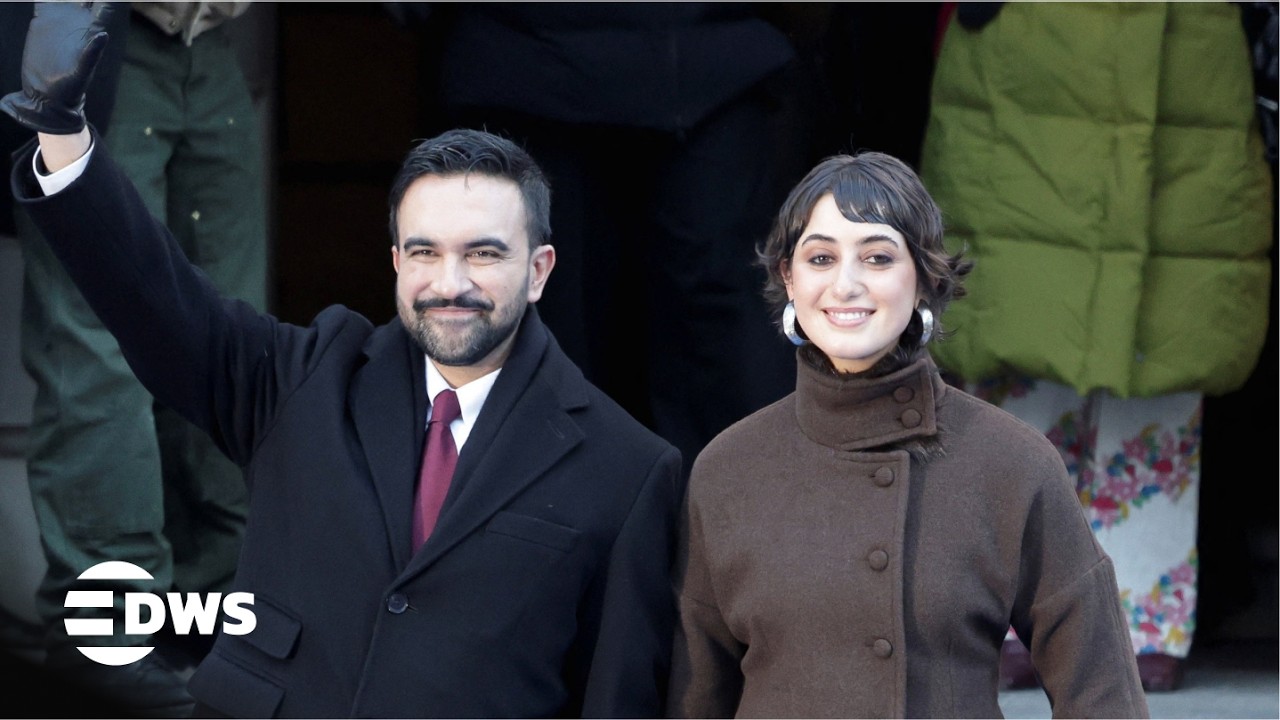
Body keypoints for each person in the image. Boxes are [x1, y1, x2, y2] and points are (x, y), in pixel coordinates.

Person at [4, 3, 684, 717]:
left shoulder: (628, 470)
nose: (449, 283)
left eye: (483, 254)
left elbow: (618, 698)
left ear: (540, 270)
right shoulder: (305, 379)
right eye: (425, 252)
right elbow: (152, 298)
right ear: (395, 261)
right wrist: (63, 138)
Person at [665, 151, 1150, 718]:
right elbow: (695, 697)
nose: (846, 284)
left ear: (923, 277)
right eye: (820, 257)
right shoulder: (729, 468)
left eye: (877, 257)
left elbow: (1100, 691)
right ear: (788, 279)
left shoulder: (1011, 461)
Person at [919, 1, 1275, 691]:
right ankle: (1018, 615)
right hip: (1027, 55)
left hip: (1187, 59)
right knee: (1018, 346)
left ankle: (1140, 619)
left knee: (1163, 353)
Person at [393, 4, 802, 475]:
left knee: (717, 317)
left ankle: (740, 525)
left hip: (709, 55)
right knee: (536, 310)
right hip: (524, 56)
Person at [9, 1, 268, 715]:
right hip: (94, 35)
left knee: (228, 330)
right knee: (96, 340)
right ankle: (109, 633)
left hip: (213, 40)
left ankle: (214, 607)